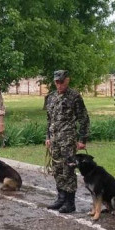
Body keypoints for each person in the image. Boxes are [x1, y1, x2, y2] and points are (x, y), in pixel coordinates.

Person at [45, 70, 90, 214]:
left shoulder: (74, 96)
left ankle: (70, 202)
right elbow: (49, 119)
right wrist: (47, 137)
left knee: (68, 170)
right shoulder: (51, 97)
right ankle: (61, 198)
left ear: (67, 80)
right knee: (57, 169)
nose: (59, 85)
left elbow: (83, 118)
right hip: (54, 140)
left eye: (61, 82)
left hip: (68, 139)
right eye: (57, 82)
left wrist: (82, 139)